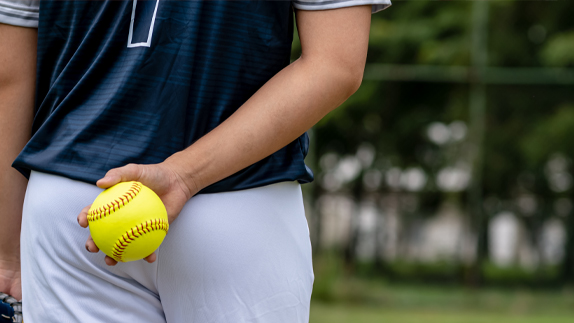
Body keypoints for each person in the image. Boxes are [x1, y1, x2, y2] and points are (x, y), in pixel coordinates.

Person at [0, 0, 391, 321]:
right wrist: (183, 175)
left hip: (73, 203)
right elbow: (335, 65)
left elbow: (10, 76)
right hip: (238, 201)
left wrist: (7, 256)